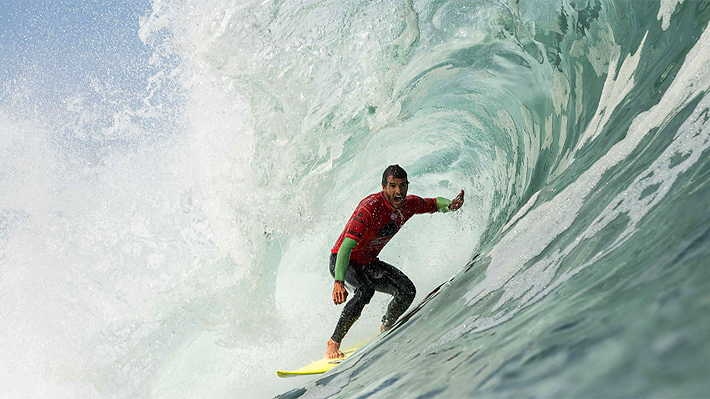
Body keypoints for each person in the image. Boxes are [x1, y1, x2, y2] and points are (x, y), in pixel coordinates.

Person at [325, 164, 464, 359]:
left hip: (368, 262)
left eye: (402, 186)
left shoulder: (409, 204)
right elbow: (345, 248)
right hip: (343, 260)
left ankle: (387, 325)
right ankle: (333, 343)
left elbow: (433, 203)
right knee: (365, 290)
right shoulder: (369, 209)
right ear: (383, 187)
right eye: (392, 186)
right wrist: (338, 282)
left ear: (407, 186)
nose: (398, 191)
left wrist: (450, 205)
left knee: (407, 291)